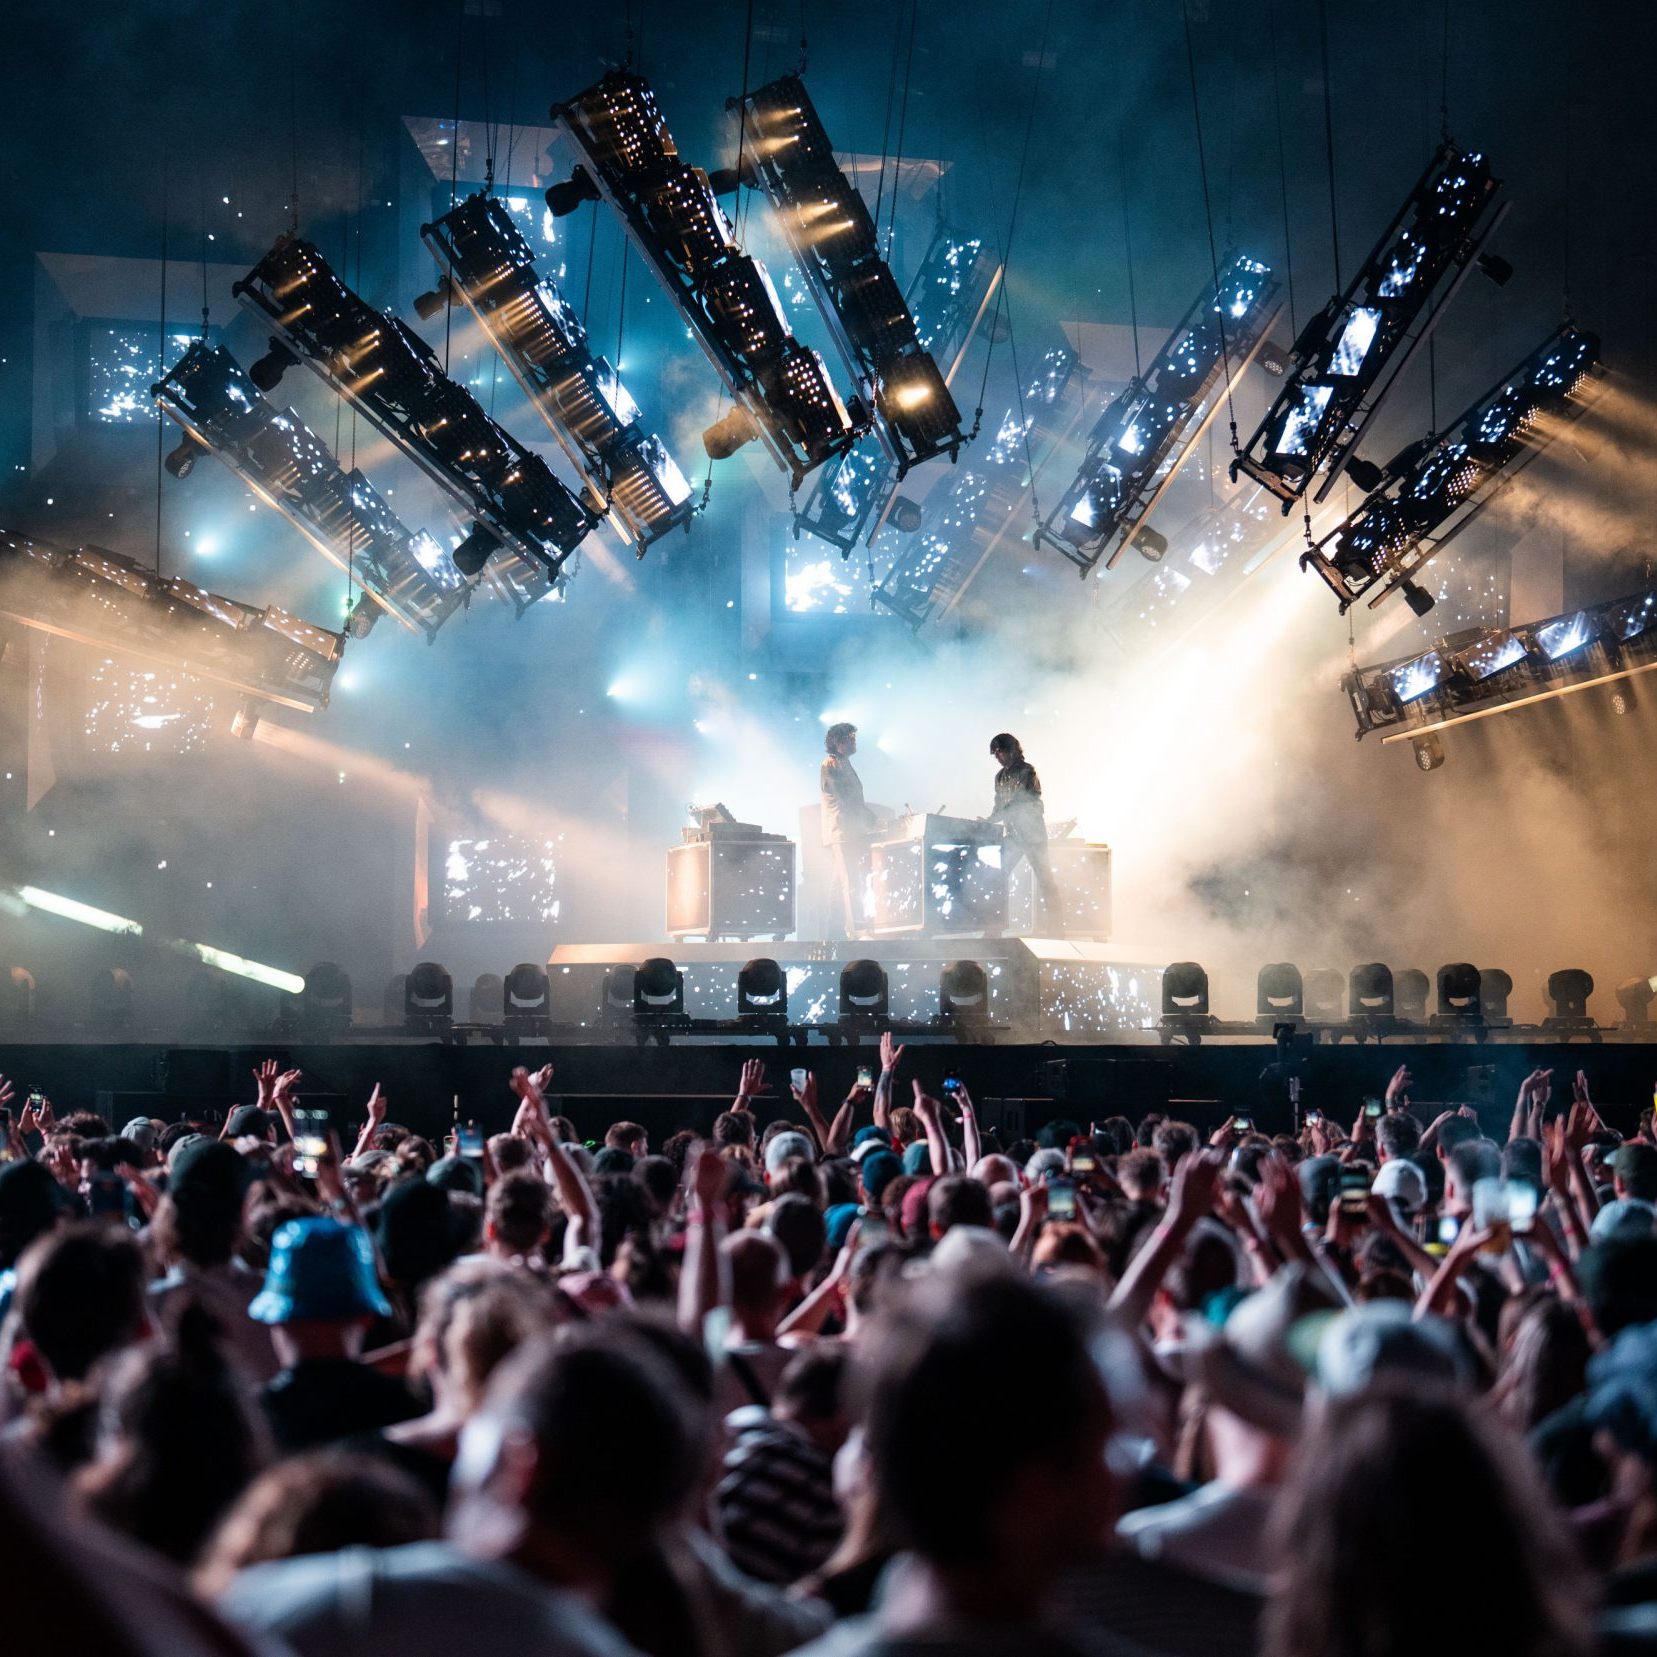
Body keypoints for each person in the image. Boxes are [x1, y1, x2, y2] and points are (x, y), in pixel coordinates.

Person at [988, 733, 1062, 934]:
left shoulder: (1027, 771)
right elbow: (999, 805)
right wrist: (989, 820)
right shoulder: (1000, 777)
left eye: (1000, 752)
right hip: (1013, 835)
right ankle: (993, 928)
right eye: (995, 754)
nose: (998, 757)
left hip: (1032, 834)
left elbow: (1022, 801)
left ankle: (1056, 929)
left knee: (1045, 879)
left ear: (1012, 750)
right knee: (998, 877)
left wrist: (995, 817)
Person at [821, 721, 876, 939]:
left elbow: (855, 801)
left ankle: (831, 934)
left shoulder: (844, 763)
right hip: (842, 833)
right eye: (850, 738)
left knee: (840, 885)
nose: (854, 742)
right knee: (850, 882)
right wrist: (870, 819)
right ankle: (855, 932)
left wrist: (871, 819)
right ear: (837, 742)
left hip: (850, 832)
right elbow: (845, 798)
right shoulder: (830, 764)